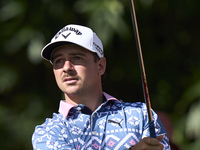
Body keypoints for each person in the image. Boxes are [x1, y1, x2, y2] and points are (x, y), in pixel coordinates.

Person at [32, 24, 171, 150]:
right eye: (59, 61)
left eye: (77, 58)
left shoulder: (142, 115)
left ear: (100, 66)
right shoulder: (47, 133)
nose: (66, 67)